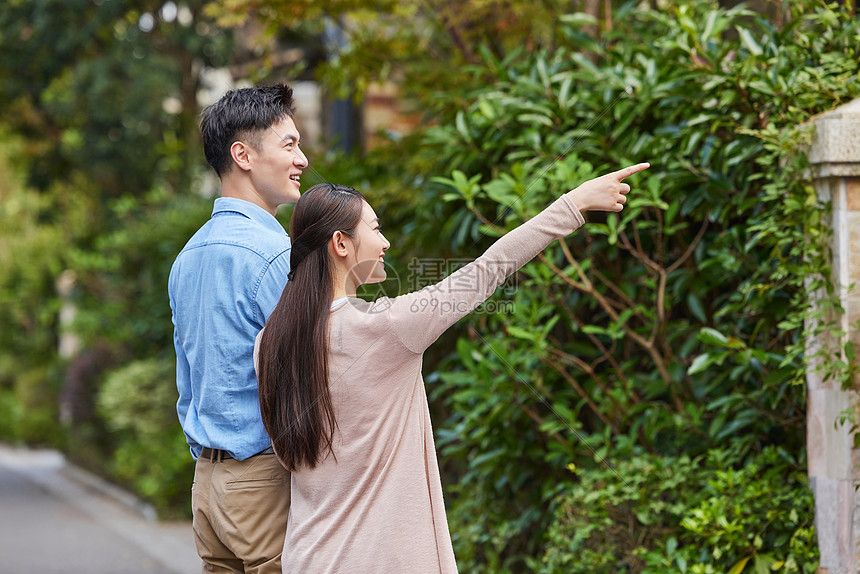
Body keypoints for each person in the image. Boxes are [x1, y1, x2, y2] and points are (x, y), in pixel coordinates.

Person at [255, 162, 650, 573]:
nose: (385, 242)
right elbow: (487, 270)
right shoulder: (387, 327)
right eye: (375, 229)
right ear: (340, 243)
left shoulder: (269, 342)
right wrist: (573, 205)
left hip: (307, 558)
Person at [168, 83, 309, 573]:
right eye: (289, 144)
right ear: (243, 154)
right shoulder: (274, 256)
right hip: (263, 479)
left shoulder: (187, 258)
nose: (303, 159)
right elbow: (313, 374)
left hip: (207, 485)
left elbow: (187, 380)